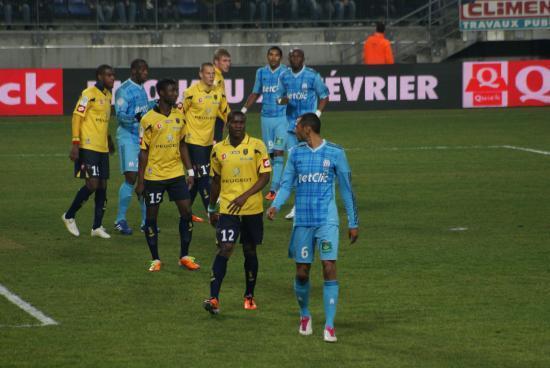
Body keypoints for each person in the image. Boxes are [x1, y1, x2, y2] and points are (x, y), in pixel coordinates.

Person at [267, 113, 358, 343]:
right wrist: (276, 205)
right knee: (302, 272)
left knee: (329, 266)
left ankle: (329, 325)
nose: (293, 129)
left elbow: (347, 189)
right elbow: (287, 184)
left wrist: (353, 222)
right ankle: (305, 315)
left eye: (296, 126)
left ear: (307, 129)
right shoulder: (296, 153)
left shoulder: (336, 152)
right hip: (303, 222)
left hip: (327, 221)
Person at [203, 111, 272, 314]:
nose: (238, 126)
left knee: (250, 251)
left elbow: (265, 176)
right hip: (227, 209)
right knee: (225, 247)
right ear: (227, 125)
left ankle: (249, 295)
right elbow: (215, 181)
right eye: (234, 122)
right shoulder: (217, 150)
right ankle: (214, 298)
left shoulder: (257, 146)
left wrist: (244, 196)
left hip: (252, 209)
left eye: (242, 122)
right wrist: (211, 207)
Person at [135, 79, 200, 272]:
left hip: (175, 174)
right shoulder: (148, 119)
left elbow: (182, 145)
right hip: (154, 176)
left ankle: (184, 256)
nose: (175, 94)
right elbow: (143, 152)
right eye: (171, 91)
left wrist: (189, 171)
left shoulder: (179, 116)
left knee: (187, 212)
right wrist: (141, 181)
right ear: (161, 93)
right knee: (151, 218)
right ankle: (155, 259)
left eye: (176, 91)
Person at [62, 65, 116, 239]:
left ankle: (97, 227)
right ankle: (69, 216)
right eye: (108, 75)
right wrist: (75, 143)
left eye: (113, 75)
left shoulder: (108, 96)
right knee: (92, 184)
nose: (112, 78)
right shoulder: (88, 94)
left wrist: (109, 140)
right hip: (87, 146)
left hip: (102, 148)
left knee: (102, 186)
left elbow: (103, 121)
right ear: (99, 77)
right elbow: (77, 117)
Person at [275, 48, 329, 219]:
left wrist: (317, 115)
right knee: (295, 165)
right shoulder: (284, 76)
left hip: (308, 130)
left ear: (304, 58)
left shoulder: (312, 76)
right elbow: (278, 98)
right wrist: (285, 100)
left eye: (298, 56)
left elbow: (325, 95)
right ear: (289, 59)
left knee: (307, 166)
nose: (295, 59)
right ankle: (298, 205)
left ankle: (303, 205)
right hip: (292, 128)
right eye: (292, 56)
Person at [179, 62, 229, 222]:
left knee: (197, 177)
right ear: (200, 74)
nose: (211, 76)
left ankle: (185, 211)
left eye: (213, 74)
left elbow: (226, 112)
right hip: (192, 141)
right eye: (207, 73)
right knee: (205, 176)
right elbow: (179, 114)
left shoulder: (218, 93)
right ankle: (211, 211)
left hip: (208, 143)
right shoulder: (190, 93)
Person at [113, 59, 155, 235]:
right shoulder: (123, 90)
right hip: (127, 138)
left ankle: (146, 222)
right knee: (131, 177)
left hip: (141, 138)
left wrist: (155, 104)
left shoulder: (141, 88)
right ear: (134, 71)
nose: (146, 73)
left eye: (147, 70)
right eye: (143, 71)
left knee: (144, 178)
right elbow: (120, 116)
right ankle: (120, 220)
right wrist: (136, 118)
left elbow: (143, 110)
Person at [241, 46, 287, 201]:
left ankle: (274, 189)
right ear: (267, 57)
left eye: (276, 55)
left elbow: (292, 95)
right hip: (266, 119)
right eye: (271, 55)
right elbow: (256, 92)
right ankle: (282, 182)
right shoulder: (261, 72)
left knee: (279, 152)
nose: (273, 58)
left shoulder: (286, 72)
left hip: (281, 118)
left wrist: (281, 101)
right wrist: (243, 110)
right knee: (272, 155)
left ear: (281, 57)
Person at [213, 48, 232, 144]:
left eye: (229, 61)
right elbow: (216, 102)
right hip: (214, 119)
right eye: (224, 61)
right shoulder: (215, 77)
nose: (227, 64)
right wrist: (228, 117)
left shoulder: (218, 75)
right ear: (216, 61)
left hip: (216, 118)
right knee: (214, 149)